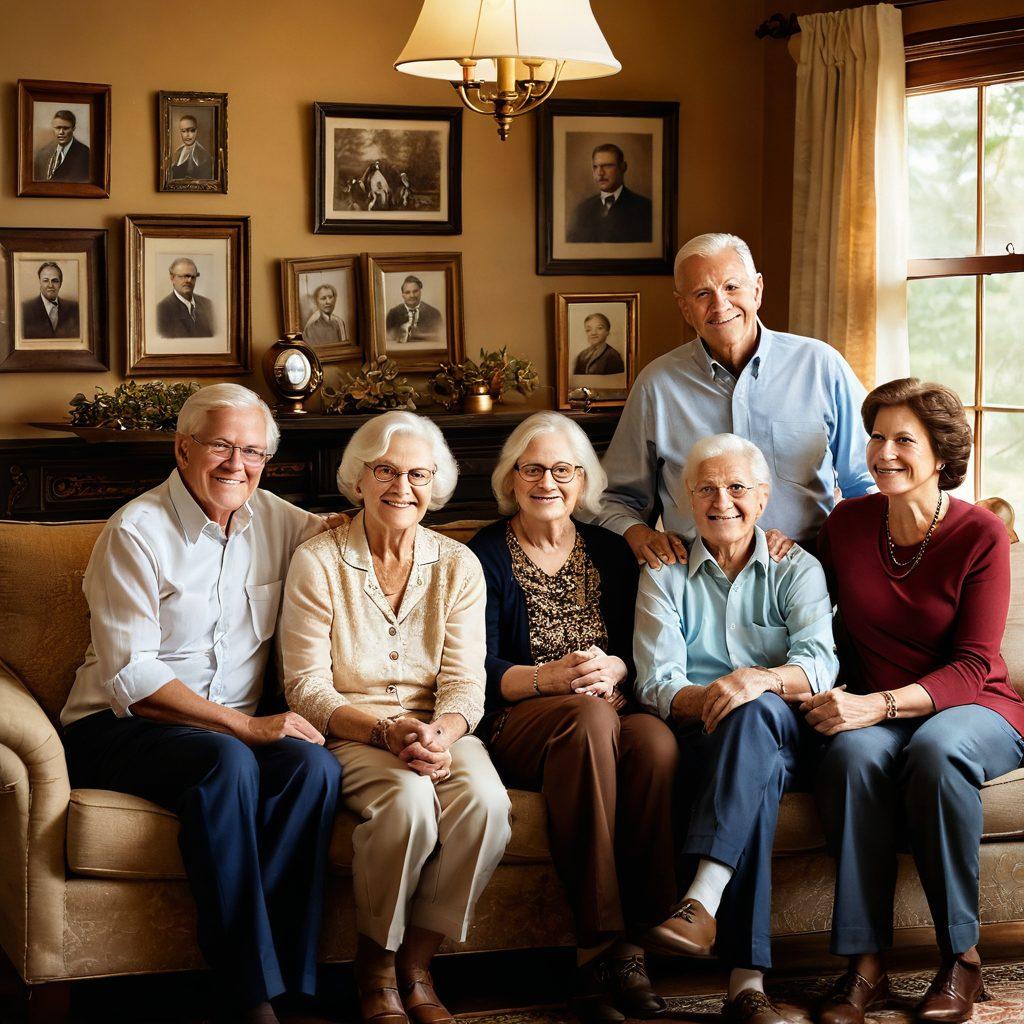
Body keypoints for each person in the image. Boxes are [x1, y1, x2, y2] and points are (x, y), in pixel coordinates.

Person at [60, 384, 345, 1024]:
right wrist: (247, 727)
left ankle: (289, 983)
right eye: (220, 445)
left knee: (314, 767)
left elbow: (347, 537)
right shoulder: (135, 531)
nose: (236, 464)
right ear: (183, 448)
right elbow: (135, 680)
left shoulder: (277, 519)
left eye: (252, 451)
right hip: (115, 728)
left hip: (225, 733)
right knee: (228, 762)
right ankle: (248, 995)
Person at [280, 411, 511, 1024]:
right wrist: (384, 731)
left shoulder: (458, 564)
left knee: (487, 803)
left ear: (436, 486)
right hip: (352, 728)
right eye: (385, 470)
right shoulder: (318, 560)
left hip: (437, 727)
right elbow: (304, 686)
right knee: (408, 804)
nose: (401, 487)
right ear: (358, 479)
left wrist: (442, 733)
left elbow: (466, 681)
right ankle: (376, 967)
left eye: (417, 475)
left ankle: (417, 963)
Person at [805, 379, 1024, 1024]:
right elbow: (805, 604)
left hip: (974, 708)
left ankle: (961, 959)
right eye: (877, 437)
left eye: (904, 440)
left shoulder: (981, 533)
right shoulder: (847, 523)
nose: (884, 453)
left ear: (941, 453)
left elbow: (977, 662)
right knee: (849, 757)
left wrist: (877, 705)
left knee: (936, 750)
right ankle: (865, 963)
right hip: (879, 709)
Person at [468, 412, 680, 1024]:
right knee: (589, 722)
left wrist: (616, 667)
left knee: (657, 744)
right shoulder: (483, 554)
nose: (548, 482)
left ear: (584, 481)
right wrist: (551, 679)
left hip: (610, 707)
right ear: (510, 479)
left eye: (563, 470)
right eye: (532, 469)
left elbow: (644, 647)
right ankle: (595, 947)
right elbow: (476, 666)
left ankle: (638, 946)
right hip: (520, 719)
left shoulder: (612, 552)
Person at [634, 433, 838, 1024]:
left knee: (757, 714)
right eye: (706, 489)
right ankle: (746, 985)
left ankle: (702, 898)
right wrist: (722, 696)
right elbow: (656, 683)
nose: (722, 501)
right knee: (755, 764)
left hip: (787, 731)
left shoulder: (796, 568)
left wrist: (757, 681)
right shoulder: (664, 573)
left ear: (763, 496)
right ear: (686, 499)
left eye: (737, 487)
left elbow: (819, 665)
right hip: (702, 734)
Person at [593, 232, 873, 569]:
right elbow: (615, 499)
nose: (720, 304)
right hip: (696, 582)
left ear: (757, 290)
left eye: (731, 287)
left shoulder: (820, 366)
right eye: (702, 293)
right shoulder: (656, 385)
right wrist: (640, 534)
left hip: (806, 571)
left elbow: (867, 483)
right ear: (684, 307)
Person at [567, 144, 652, 244]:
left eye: (607, 166)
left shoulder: (645, 208)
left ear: (623, 167)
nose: (600, 173)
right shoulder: (582, 210)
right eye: (595, 167)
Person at [156, 257, 216, 338]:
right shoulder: (161, 310)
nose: (189, 280)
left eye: (193, 277)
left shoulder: (208, 305)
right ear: (172, 278)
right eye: (184, 276)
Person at [21, 261, 80, 338]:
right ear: (40, 282)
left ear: (60, 283)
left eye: (55, 281)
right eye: (46, 280)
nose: (50, 285)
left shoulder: (74, 308)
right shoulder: (25, 309)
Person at [33, 108, 90, 182]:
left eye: (66, 128)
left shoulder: (85, 153)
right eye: (58, 128)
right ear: (53, 128)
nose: (61, 132)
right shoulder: (42, 154)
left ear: (73, 129)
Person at [385, 275, 444, 346]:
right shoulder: (393, 314)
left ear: (420, 292)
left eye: (415, 291)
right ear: (403, 295)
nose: (412, 295)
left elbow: (440, 338)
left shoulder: (434, 313)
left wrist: (417, 335)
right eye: (407, 292)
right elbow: (387, 339)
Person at [170, 113, 214, 180]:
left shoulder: (205, 156)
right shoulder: (177, 152)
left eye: (192, 130)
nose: (187, 135)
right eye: (183, 131)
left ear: (196, 131)